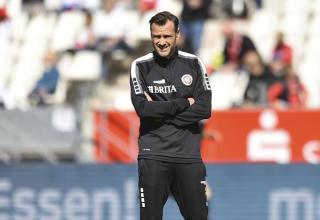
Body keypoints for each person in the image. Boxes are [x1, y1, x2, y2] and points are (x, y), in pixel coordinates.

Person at [130, 11, 212, 220]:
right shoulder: (140, 66)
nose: (162, 42)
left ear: (177, 35)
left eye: (167, 36)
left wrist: (158, 109)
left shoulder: (193, 64)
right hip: (154, 155)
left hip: (188, 157)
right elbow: (143, 109)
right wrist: (184, 103)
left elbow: (204, 109)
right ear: (151, 36)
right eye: (157, 36)